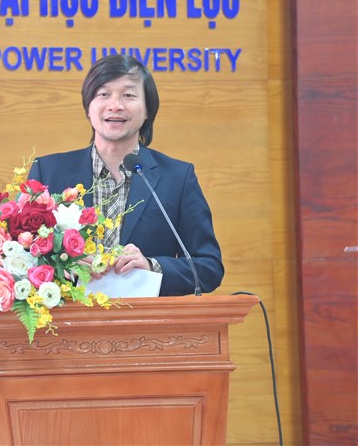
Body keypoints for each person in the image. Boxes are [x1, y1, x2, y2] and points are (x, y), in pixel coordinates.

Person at [28, 54, 224, 296]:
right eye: (103, 94)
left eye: (128, 95)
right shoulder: (48, 172)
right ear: (88, 107)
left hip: (147, 318)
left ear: (148, 109)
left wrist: (152, 266)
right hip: (68, 316)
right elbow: (18, 255)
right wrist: (63, 267)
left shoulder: (177, 177)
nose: (115, 105)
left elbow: (209, 267)